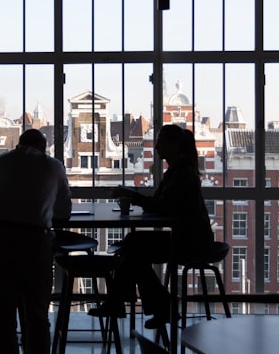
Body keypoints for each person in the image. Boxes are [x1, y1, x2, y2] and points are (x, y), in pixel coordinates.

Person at [0, 128, 73, 354]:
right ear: (44, 148)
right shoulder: (53, 166)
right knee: (36, 320)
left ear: (18, 144)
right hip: (34, 242)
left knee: (2, 324)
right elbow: (64, 213)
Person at [90, 124, 213, 328]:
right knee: (133, 247)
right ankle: (150, 305)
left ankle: (126, 302)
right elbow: (162, 205)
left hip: (189, 242)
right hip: (191, 237)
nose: (156, 147)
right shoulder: (178, 171)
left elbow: (163, 207)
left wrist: (132, 196)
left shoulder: (180, 174)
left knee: (133, 246)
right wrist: (139, 199)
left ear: (173, 145)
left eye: (161, 142)